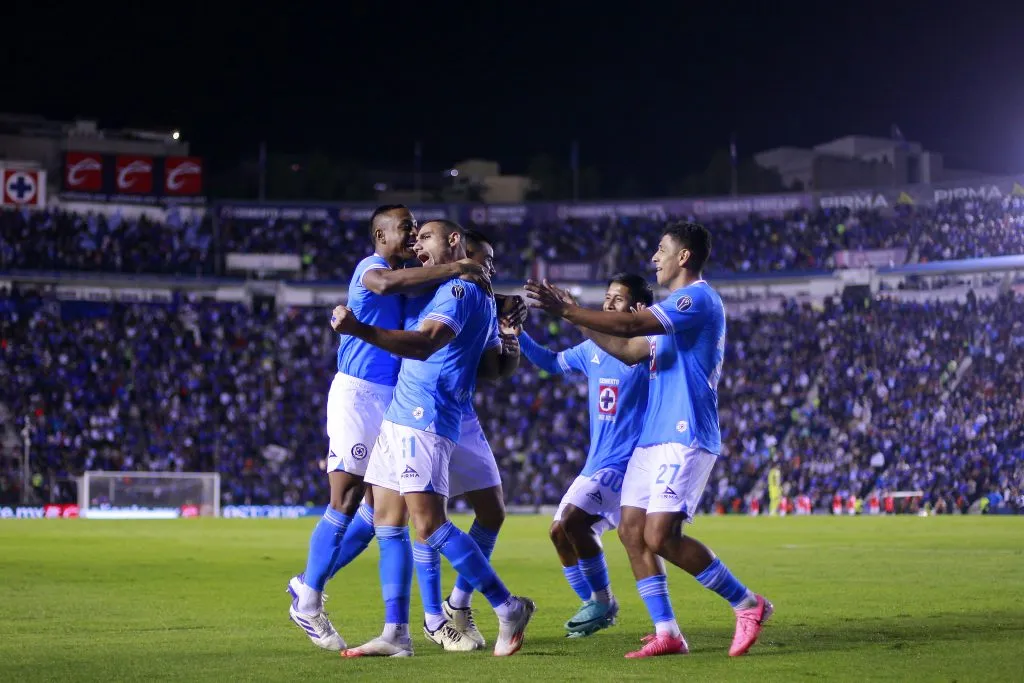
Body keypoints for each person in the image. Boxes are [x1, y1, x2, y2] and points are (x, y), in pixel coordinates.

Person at [526, 221, 772, 659]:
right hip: (651, 441)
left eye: (662, 250)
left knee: (660, 535)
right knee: (632, 534)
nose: (654, 258)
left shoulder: (695, 299)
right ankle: (668, 632)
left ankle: (748, 604)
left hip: (686, 434)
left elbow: (631, 325)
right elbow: (626, 348)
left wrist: (569, 310)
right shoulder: (668, 319)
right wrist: (575, 321)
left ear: (684, 257)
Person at [286, 205, 487, 652]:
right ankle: (309, 596)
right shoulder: (372, 268)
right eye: (406, 228)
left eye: (417, 228)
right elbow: (382, 285)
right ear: (380, 234)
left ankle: (398, 630)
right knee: (346, 496)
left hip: (394, 401)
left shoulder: (418, 278)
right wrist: (460, 265)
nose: (414, 234)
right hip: (358, 393)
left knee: (384, 514)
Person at [332, 220, 535, 658]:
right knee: (389, 523)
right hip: (402, 416)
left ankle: (507, 605)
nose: (416, 245)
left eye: (425, 237)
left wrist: (359, 330)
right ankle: (396, 633)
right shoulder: (454, 288)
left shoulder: (460, 292)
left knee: (428, 525)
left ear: (454, 243)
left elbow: (425, 345)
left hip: (425, 415)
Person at [517, 273, 653, 638]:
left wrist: (572, 313)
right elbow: (550, 362)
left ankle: (603, 600)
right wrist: (518, 335)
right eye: (607, 296)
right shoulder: (590, 350)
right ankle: (595, 604)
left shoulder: (644, 347)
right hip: (594, 462)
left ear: (637, 308)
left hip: (624, 463)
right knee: (558, 532)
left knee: (575, 523)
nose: (609, 303)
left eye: (618, 299)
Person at [415, 228, 526, 652]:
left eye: (494, 261)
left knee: (493, 512)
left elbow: (494, 370)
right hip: (423, 408)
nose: (491, 267)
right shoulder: (442, 290)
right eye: (485, 258)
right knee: (425, 516)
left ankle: (458, 604)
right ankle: (432, 618)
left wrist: (510, 333)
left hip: (460, 412)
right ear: (463, 252)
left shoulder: (484, 301)